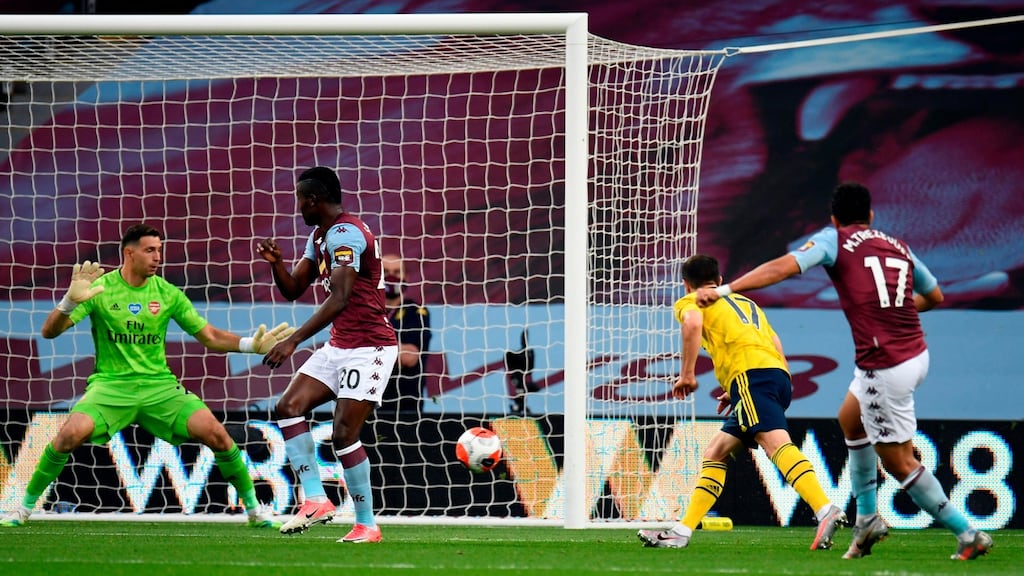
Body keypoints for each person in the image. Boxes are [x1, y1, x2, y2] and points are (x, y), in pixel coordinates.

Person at [696, 182, 992, 561]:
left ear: (834, 218)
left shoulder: (834, 239)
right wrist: (896, 311)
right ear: (870, 216)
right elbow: (934, 296)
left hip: (885, 364)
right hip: (914, 352)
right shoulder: (897, 246)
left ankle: (966, 532)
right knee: (850, 420)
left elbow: (784, 267)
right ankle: (867, 519)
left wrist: (727, 290)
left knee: (899, 461)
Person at [0, 224, 292, 529]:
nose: (157, 257)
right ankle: (22, 508)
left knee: (218, 435)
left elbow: (209, 336)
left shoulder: (167, 293)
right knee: (68, 435)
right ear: (129, 253)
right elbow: (49, 332)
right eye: (150, 250)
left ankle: (255, 511)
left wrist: (250, 345)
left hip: (160, 388)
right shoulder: (100, 289)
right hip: (111, 387)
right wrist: (69, 302)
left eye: (160, 250)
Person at [638, 254, 845, 550]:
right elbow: (774, 343)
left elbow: (693, 324)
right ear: (719, 281)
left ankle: (824, 508)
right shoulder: (747, 303)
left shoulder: (692, 301)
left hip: (752, 378)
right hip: (775, 375)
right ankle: (682, 531)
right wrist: (744, 389)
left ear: (686, 285)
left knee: (775, 445)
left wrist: (687, 374)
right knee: (716, 451)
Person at [256, 166, 398, 544]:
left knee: (343, 432)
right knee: (288, 407)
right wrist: (277, 266)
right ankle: (316, 500)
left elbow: (340, 297)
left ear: (314, 199)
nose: (298, 206)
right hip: (339, 345)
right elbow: (293, 288)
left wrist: (293, 341)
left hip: (370, 348)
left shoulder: (346, 233)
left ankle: (367, 524)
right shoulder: (321, 236)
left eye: (300, 199)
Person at [378, 252, 432, 418]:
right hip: (365, 403)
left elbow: (409, 357)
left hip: (405, 406)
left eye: (396, 272)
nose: (391, 277)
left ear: (406, 277)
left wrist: (369, 346)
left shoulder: (415, 312)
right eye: (385, 272)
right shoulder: (364, 311)